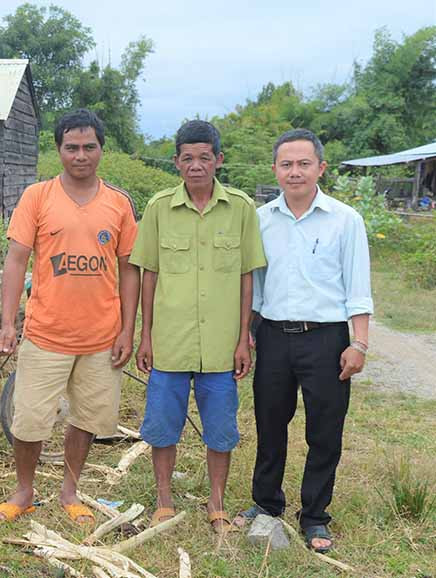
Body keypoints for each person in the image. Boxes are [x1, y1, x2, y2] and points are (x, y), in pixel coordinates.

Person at [0, 109, 140, 524]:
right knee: (30, 419)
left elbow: (129, 269)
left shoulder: (118, 204)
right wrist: (8, 322)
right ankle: (24, 491)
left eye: (89, 147)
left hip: (101, 338)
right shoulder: (37, 197)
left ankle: (69, 492)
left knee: (88, 418)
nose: (80, 155)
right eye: (71, 147)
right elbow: (16, 260)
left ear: (101, 150)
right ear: (58, 150)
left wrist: (128, 329)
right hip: (45, 334)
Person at [235, 129, 372, 553]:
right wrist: (247, 333)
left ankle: (315, 516)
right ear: (275, 169)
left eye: (303, 164)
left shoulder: (344, 220)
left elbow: (358, 286)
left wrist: (359, 343)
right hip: (274, 335)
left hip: (327, 339)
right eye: (286, 164)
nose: (295, 172)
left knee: (325, 430)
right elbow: (254, 285)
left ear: (320, 168)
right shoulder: (260, 220)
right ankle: (267, 503)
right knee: (270, 423)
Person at [129, 120, 266, 534]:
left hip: (223, 345)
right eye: (187, 158)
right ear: (176, 162)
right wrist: (145, 335)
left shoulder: (241, 208)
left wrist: (244, 337)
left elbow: (246, 277)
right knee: (162, 426)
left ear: (218, 160)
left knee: (221, 430)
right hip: (170, 341)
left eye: (204, 157)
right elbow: (148, 273)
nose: (196, 165)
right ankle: (164, 501)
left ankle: (217, 503)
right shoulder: (157, 208)